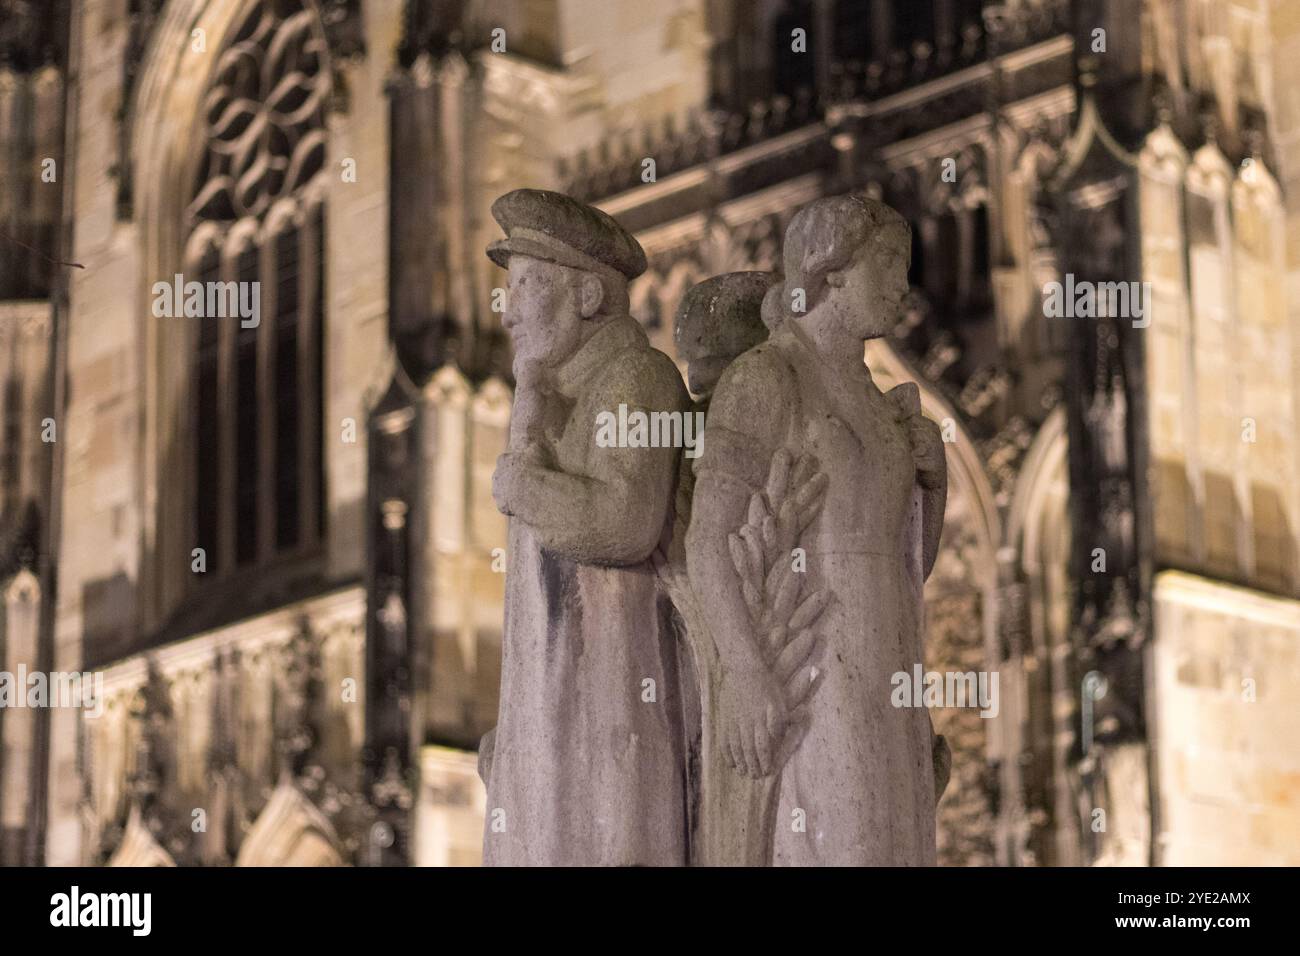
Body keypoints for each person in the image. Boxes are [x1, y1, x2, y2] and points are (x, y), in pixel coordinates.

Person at [686, 194, 948, 865]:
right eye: (888, 266)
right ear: (830, 274)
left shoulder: (875, 399)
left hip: (888, 656)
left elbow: (909, 562)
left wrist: (934, 481)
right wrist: (746, 673)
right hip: (812, 660)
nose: (901, 286)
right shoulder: (767, 377)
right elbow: (707, 539)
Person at [480, 188, 691, 865]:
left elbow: (624, 521)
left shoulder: (636, 378)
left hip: (613, 701)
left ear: (590, 298)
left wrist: (524, 484)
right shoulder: (551, 394)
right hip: (555, 706)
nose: (508, 310)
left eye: (528, 286)